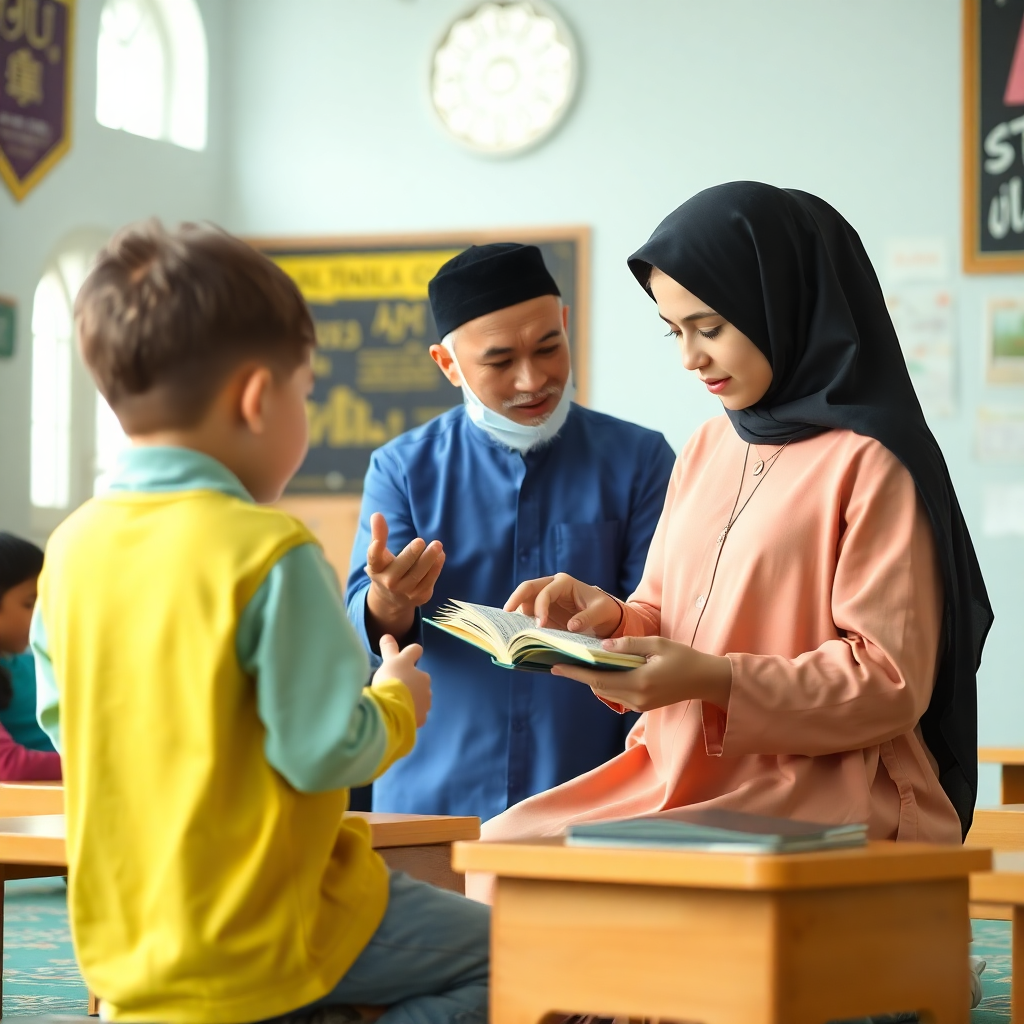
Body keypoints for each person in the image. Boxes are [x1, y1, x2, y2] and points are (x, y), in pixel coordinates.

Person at [31, 221, 489, 1024]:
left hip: (127, 942)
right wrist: (394, 701)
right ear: (255, 398)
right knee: (520, 956)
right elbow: (323, 754)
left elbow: (66, 726)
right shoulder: (266, 551)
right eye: (306, 393)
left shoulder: (69, 548)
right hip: (273, 927)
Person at [476, 181, 992, 872]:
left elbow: (888, 681)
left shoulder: (873, 460)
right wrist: (610, 624)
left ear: (782, 303)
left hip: (827, 791)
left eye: (709, 327)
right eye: (674, 331)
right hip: (678, 772)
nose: (690, 357)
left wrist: (717, 681)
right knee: (502, 853)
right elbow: (665, 613)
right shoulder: (706, 448)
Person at [346, 242, 676, 821]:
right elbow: (369, 625)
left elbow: (665, 619)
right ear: (448, 365)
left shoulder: (641, 460)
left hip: (594, 797)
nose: (533, 379)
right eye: (499, 362)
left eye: (550, 346)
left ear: (566, 325)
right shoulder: (402, 468)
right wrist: (390, 598)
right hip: (431, 803)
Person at [0, 533, 60, 780]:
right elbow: (8, 765)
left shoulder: (34, 664)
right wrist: (99, 764)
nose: (42, 616)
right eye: (30, 603)